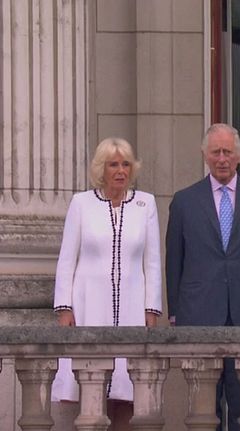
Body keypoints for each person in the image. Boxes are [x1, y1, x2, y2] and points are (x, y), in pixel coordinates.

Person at [165, 123, 240, 431]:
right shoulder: (184, 201)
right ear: (205, 155)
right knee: (203, 409)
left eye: (228, 152)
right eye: (215, 152)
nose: (222, 159)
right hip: (199, 314)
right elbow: (174, 261)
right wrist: (175, 314)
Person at [52, 137, 162, 430]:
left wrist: (151, 309)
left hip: (132, 307)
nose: (121, 171)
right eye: (114, 164)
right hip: (89, 305)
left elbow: (152, 262)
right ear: (102, 169)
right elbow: (67, 259)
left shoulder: (145, 204)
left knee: (127, 391)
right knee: (91, 383)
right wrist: (64, 308)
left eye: (126, 164)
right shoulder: (81, 204)